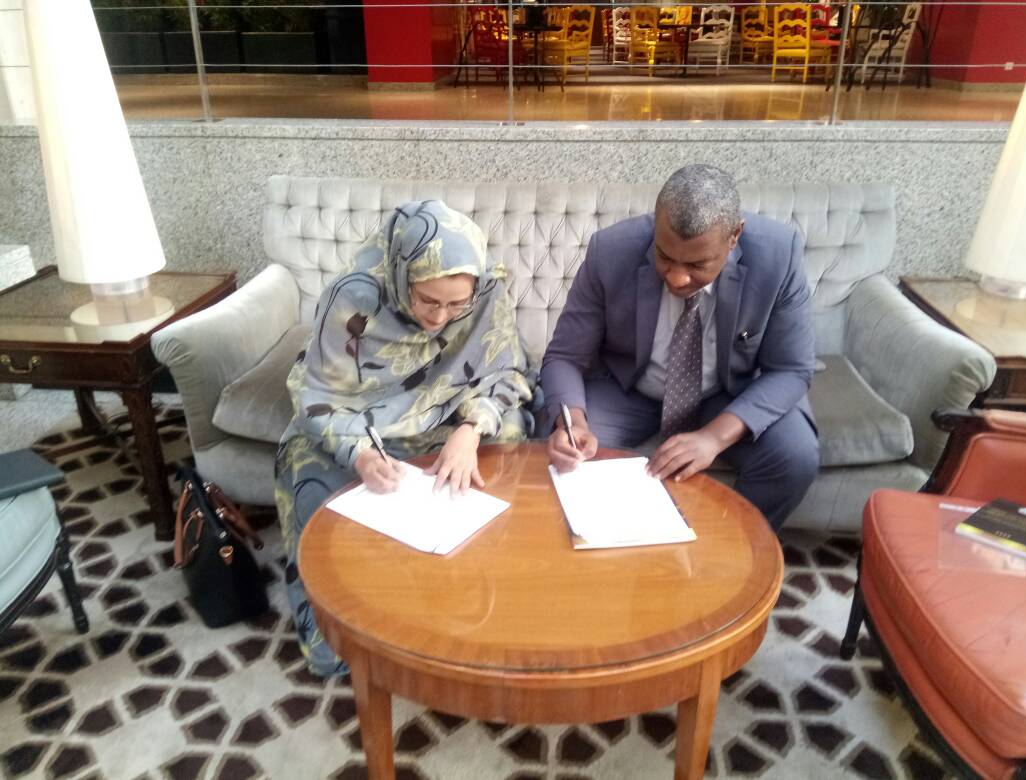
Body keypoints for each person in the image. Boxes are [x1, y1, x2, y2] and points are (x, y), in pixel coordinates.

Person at [275, 200, 534, 676]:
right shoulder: (354, 296)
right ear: (401, 277)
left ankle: (465, 595)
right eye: (427, 300)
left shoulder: (486, 290)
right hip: (361, 424)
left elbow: (509, 373)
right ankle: (338, 635)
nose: (440, 318)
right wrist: (358, 454)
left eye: (456, 305)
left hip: (445, 415)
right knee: (305, 465)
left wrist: (469, 431)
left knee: (510, 431)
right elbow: (316, 395)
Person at [539, 164, 818, 530]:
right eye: (665, 257)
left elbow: (791, 369)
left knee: (794, 456)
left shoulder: (777, 255)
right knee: (565, 459)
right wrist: (573, 424)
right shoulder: (610, 250)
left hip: (727, 393)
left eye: (697, 264)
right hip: (627, 391)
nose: (677, 277)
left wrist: (713, 438)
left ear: (734, 236)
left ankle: (731, 548)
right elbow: (564, 356)